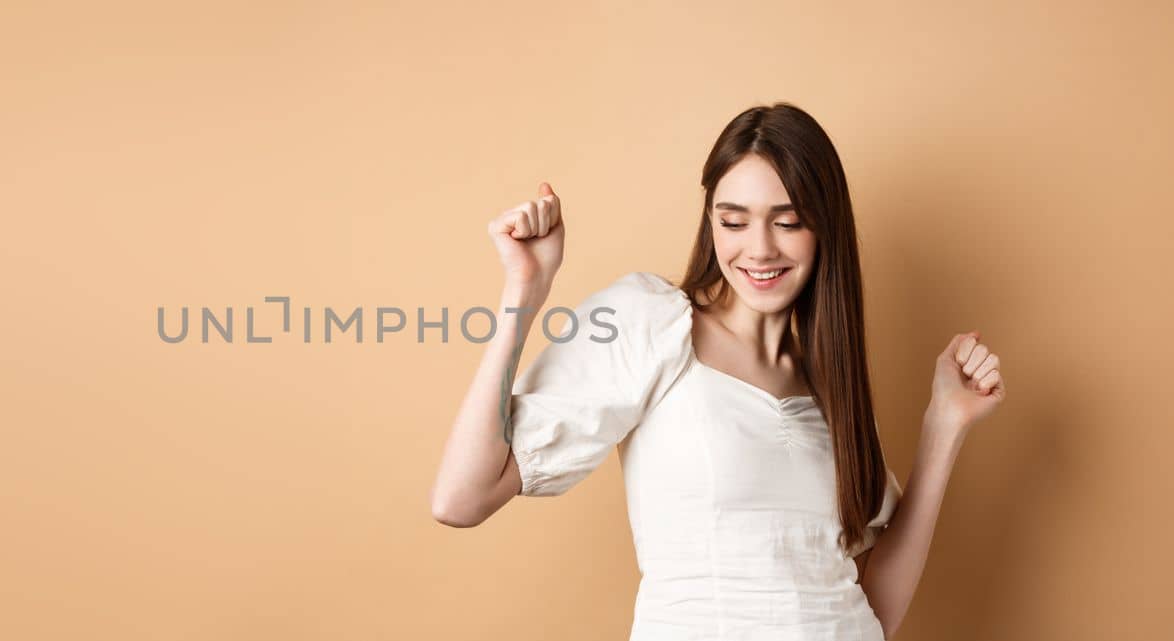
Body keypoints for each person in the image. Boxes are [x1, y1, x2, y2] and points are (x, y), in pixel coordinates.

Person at [429, 102, 1006, 640]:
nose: (759, 250)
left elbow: (871, 609)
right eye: (734, 222)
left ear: (824, 226)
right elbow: (461, 498)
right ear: (710, 222)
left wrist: (943, 425)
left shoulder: (832, 386)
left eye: (787, 222)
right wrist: (525, 290)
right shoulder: (650, 321)